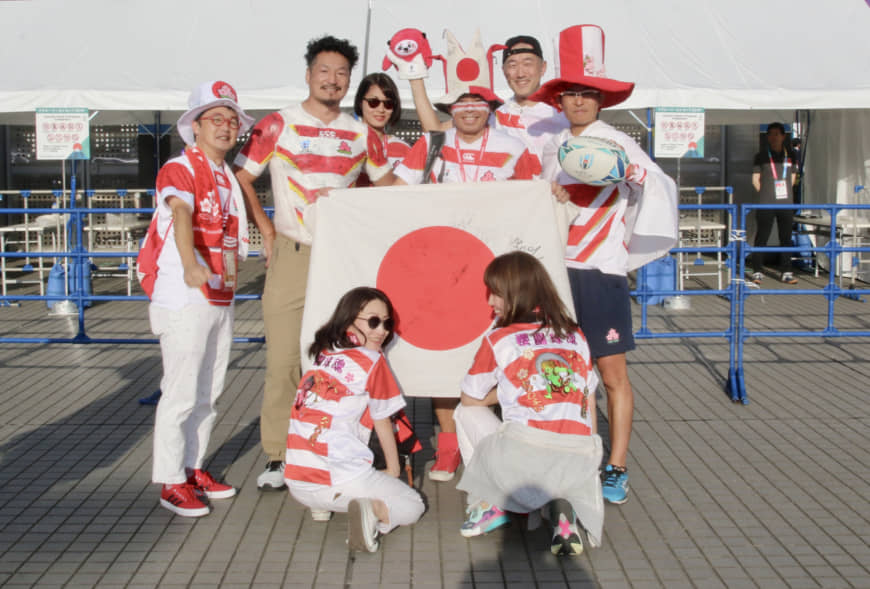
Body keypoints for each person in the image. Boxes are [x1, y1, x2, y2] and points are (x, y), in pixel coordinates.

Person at [233, 36, 393, 492]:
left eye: (342, 72)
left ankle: (337, 449)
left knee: (343, 360)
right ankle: (280, 456)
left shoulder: (363, 132)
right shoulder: (278, 124)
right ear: (308, 74)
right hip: (293, 253)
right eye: (324, 70)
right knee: (284, 359)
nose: (333, 79)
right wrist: (264, 230)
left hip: (342, 259)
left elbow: (389, 188)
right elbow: (243, 176)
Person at [531, 25, 678, 505]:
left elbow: (658, 186)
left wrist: (632, 174)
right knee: (562, 372)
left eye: (587, 93)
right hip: (556, 273)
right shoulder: (551, 148)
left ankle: (616, 467)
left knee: (612, 374)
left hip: (600, 272)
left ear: (600, 100)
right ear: (560, 99)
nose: (578, 101)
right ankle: (575, 457)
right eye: (571, 93)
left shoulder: (618, 142)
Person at [392, 89, 540, 482]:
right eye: (461, 106)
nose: (470, 112)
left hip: (496, 267)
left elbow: (535, 198)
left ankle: (492, 439)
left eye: (478, 106)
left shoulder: (513, 146)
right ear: (450, 111)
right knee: (445, 351)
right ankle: (448, 445)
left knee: (494, 353)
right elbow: (392, 191)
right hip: (441, 266)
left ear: (490, 110)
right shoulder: (430, 143)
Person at [145, 80, 254, 517]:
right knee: (181, 390)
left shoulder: (226, 174)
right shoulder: (180, 167)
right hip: (185, 293)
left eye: (232, 120)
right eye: (216, 119)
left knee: (210, 389)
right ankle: (170, 481)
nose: (226, 127)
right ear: (195, 125)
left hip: (219, 295)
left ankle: (192, 467)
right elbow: (182, 211)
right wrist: (191, 263)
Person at [453, 251, 603, 556]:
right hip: (581, 454)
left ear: (514, 295)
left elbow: (470, 397)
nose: (489, 302)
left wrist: (509, 390)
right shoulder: (575, 333)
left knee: (464, 412)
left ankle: (491, 502)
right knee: (557, 463)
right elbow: (587, 399)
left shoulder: (499, 339)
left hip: (527, 454)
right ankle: (562, 515)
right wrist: (591, 462)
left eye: (495, 293)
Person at [284, 287, 425, 552]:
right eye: (373, 321)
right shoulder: (372, 361)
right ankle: (372, 511)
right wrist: (393, 471)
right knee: (412, 505)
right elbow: (383, 419)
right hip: (341, 475)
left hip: (296, 481)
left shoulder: (324, 353)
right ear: (349, 319)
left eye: (387, 323)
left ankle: (328, 507)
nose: (381, 331)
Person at [387, 30, 568, 167]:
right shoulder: (494, 114)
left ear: (543, 68)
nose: (520, 73)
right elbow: (435, 132)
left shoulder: (563, 115)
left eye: (528, 63)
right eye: (512, 65)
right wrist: (415, 77)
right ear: (503, 71)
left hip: (549, 206)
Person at [750, 122, 799, 285]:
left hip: (786, 203)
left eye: (777, 134)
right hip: (766, 203)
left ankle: (786, 271)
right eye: (770, 134)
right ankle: (757, 270)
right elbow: (755, 180)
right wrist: (766, 194)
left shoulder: (791, 155)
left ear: (783, 136)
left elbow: (792, 178)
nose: (773, 137)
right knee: (762, 236)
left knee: (786, 237)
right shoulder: (761, 155)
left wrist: (783, 195)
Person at [353, 73, 410, 186]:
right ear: (360, 102)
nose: (381, 109)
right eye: (373, 102)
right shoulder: (345, 143)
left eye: (388, 104)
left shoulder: (403, 149)